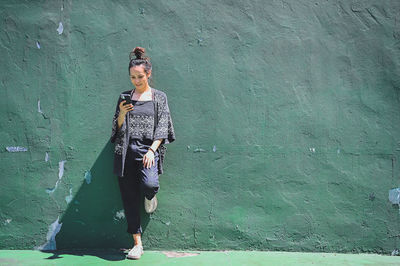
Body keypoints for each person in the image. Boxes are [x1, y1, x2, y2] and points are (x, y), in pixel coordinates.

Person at [110, 46, 176, 260]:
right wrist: (121, 113)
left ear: (148, 74)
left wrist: (152, 150)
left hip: (148, 150)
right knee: (129, 198)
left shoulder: (159, 98)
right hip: (126, 152)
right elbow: (116, 129)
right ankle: (137, 244)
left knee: (149, 184)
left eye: (140, 76)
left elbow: (163, 126)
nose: (136, 81)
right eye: (132, 77)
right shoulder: (125, 96)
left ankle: (150, 196)